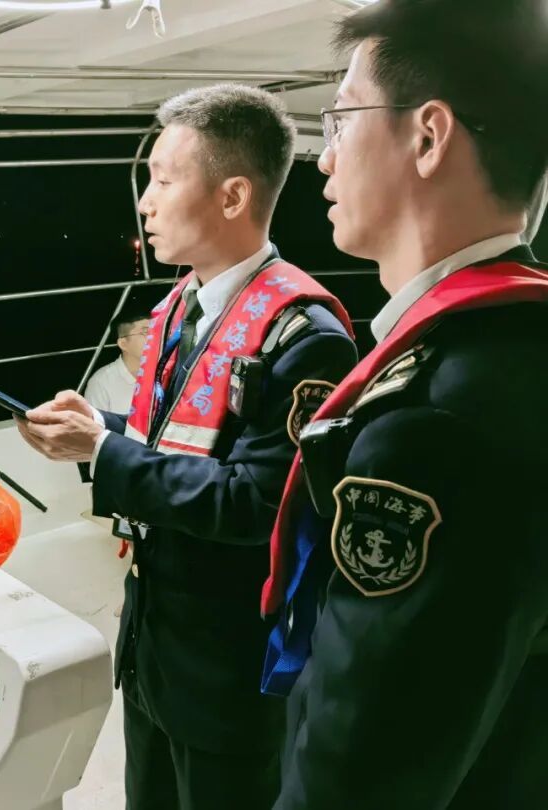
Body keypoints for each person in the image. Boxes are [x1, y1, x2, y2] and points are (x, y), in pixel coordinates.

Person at [15, 84, 358, 810]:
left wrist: (104, 454)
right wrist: (99, 428)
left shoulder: (305, 337)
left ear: (233, 196)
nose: (145, 203)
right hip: (154, 653)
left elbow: (257, 503)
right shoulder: (180, 309)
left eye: (164, 181)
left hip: (227, 672)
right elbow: (173, 443)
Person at [258, 1, 548, 807]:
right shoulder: (515, 348)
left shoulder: (442, 415)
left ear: (428, 137)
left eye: (341, 119)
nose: (323, 159)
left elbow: (364, 766)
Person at [83, 311, 151, 413]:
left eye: (157, 331)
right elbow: (95, 422)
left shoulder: (165, 372)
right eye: (146, 332)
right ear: (123, 344)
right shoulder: (101, 382)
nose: (155, 337)